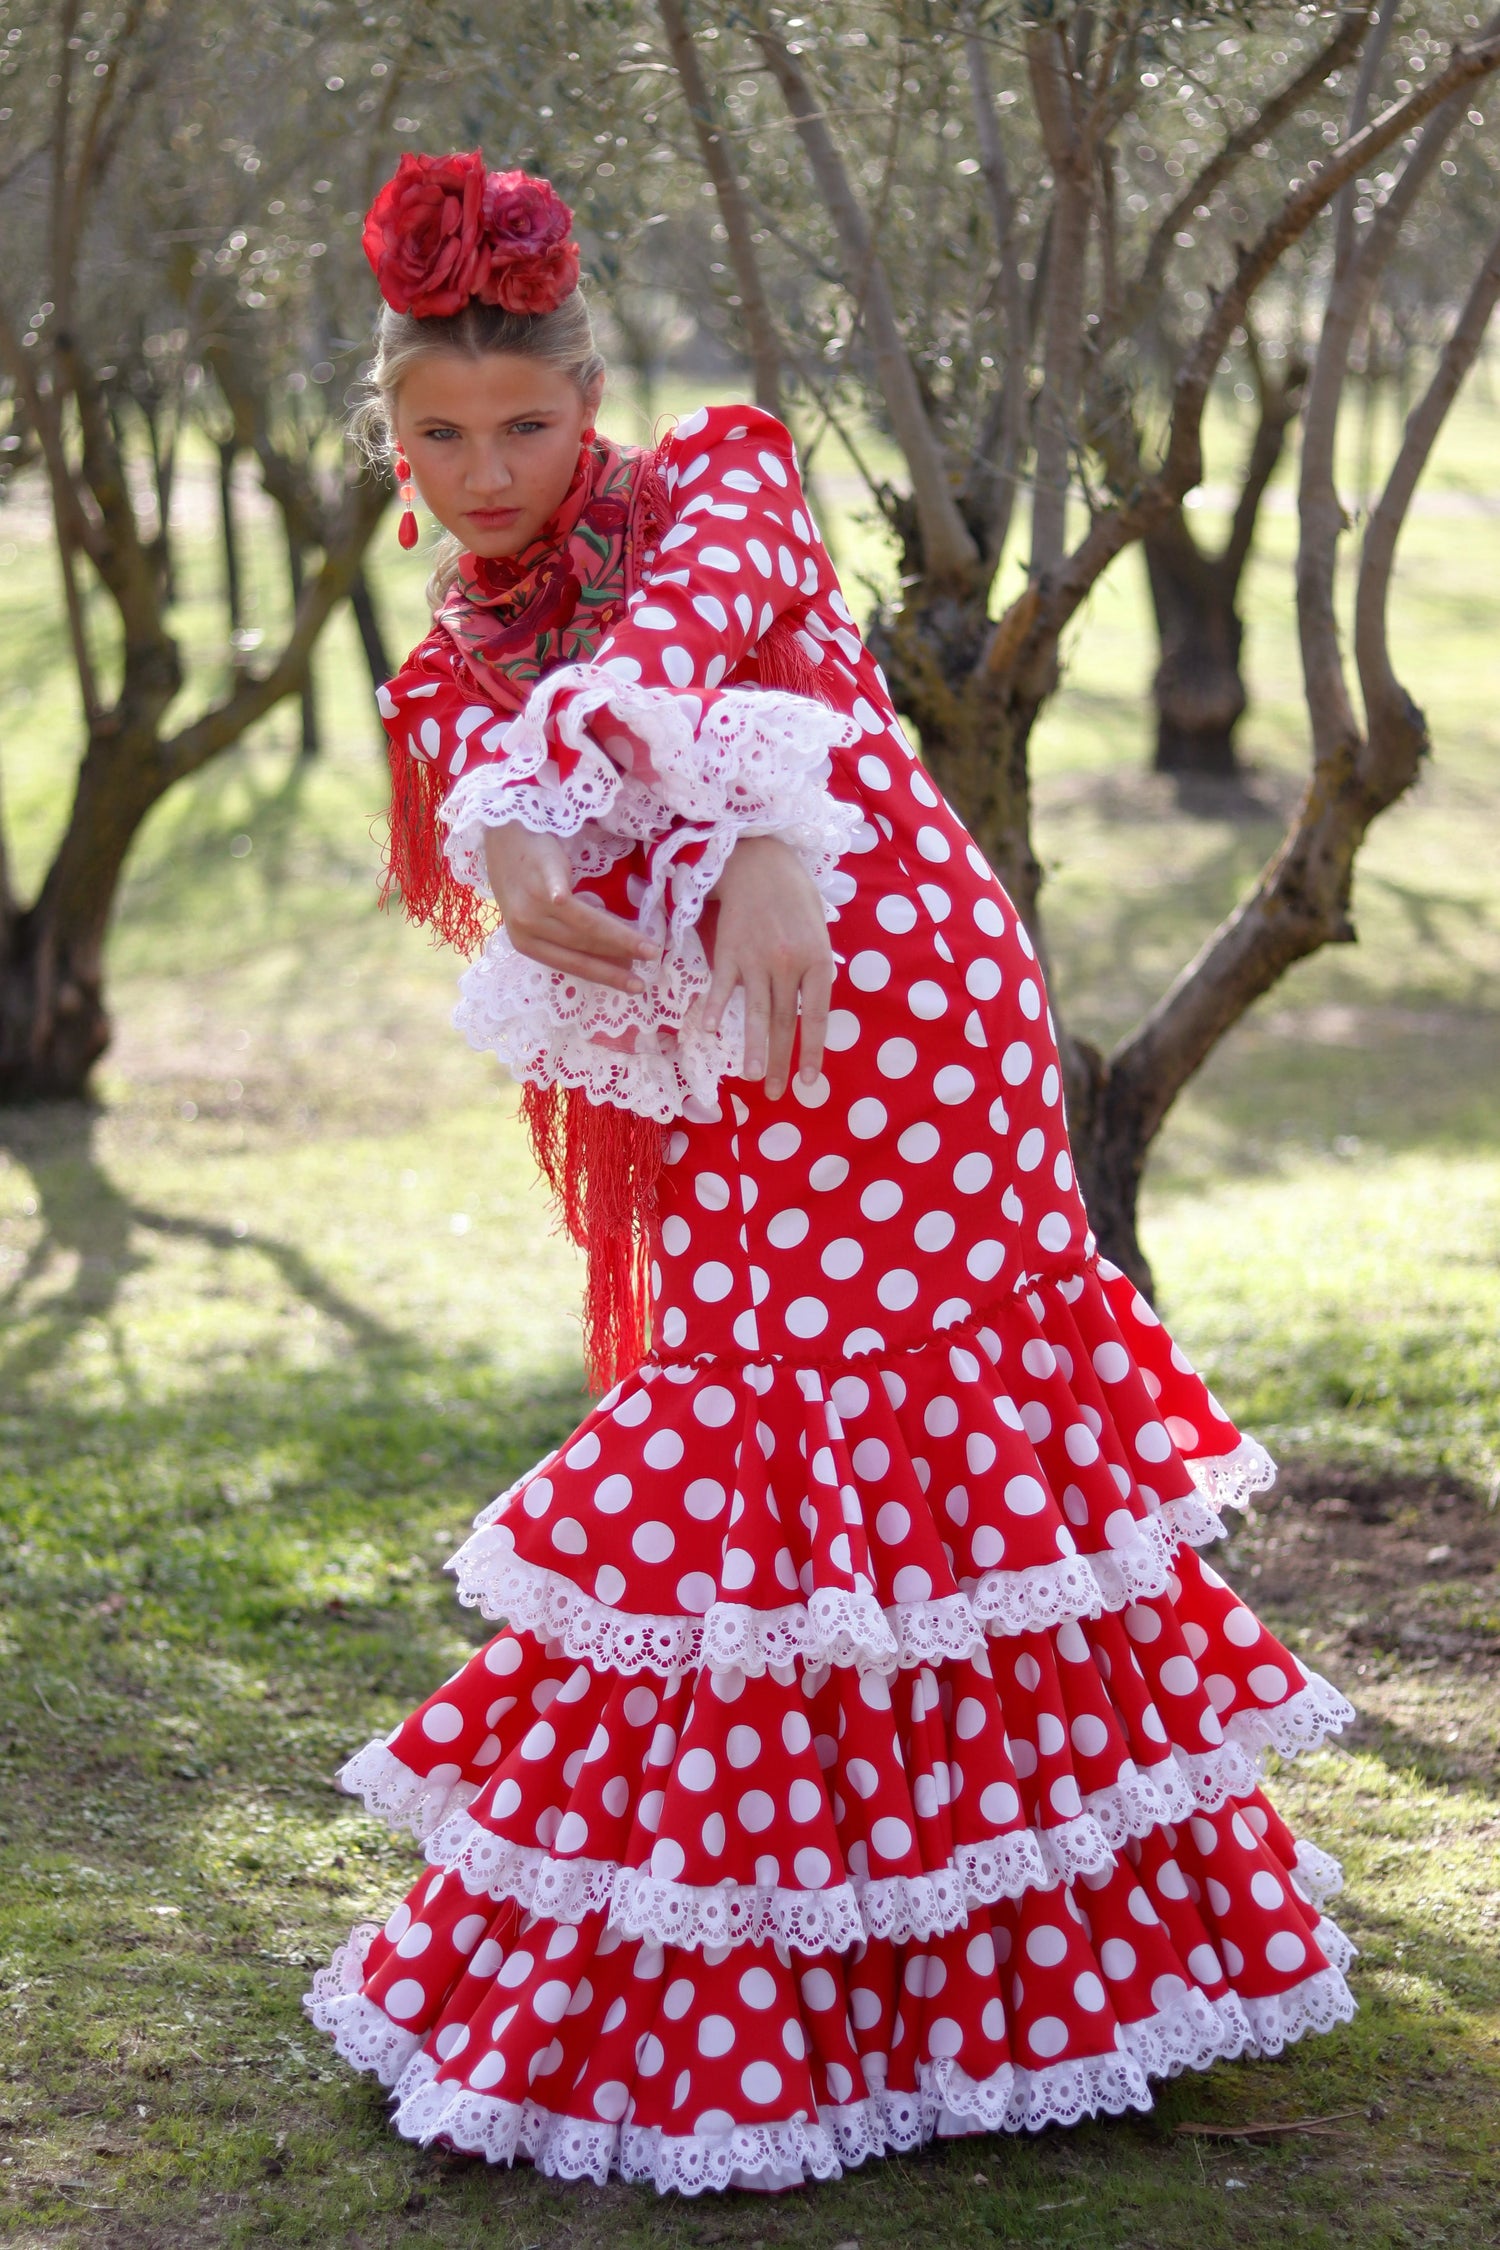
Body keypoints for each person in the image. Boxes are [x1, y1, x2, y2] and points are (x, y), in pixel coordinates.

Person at [305, 151, 1356, 2195]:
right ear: (393, 435)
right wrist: (525, 859)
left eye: (525, 422)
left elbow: (714, 633)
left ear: (589, 395)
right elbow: (494, 825)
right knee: (745, 1448)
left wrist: (756, 831)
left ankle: (1055, 1982)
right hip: (718, 1071)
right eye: (439, 433)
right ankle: (771, 1980)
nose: (486, 467)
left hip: (905, 1014)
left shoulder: (721, 473)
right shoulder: (448, 667)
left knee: (958, 1438)